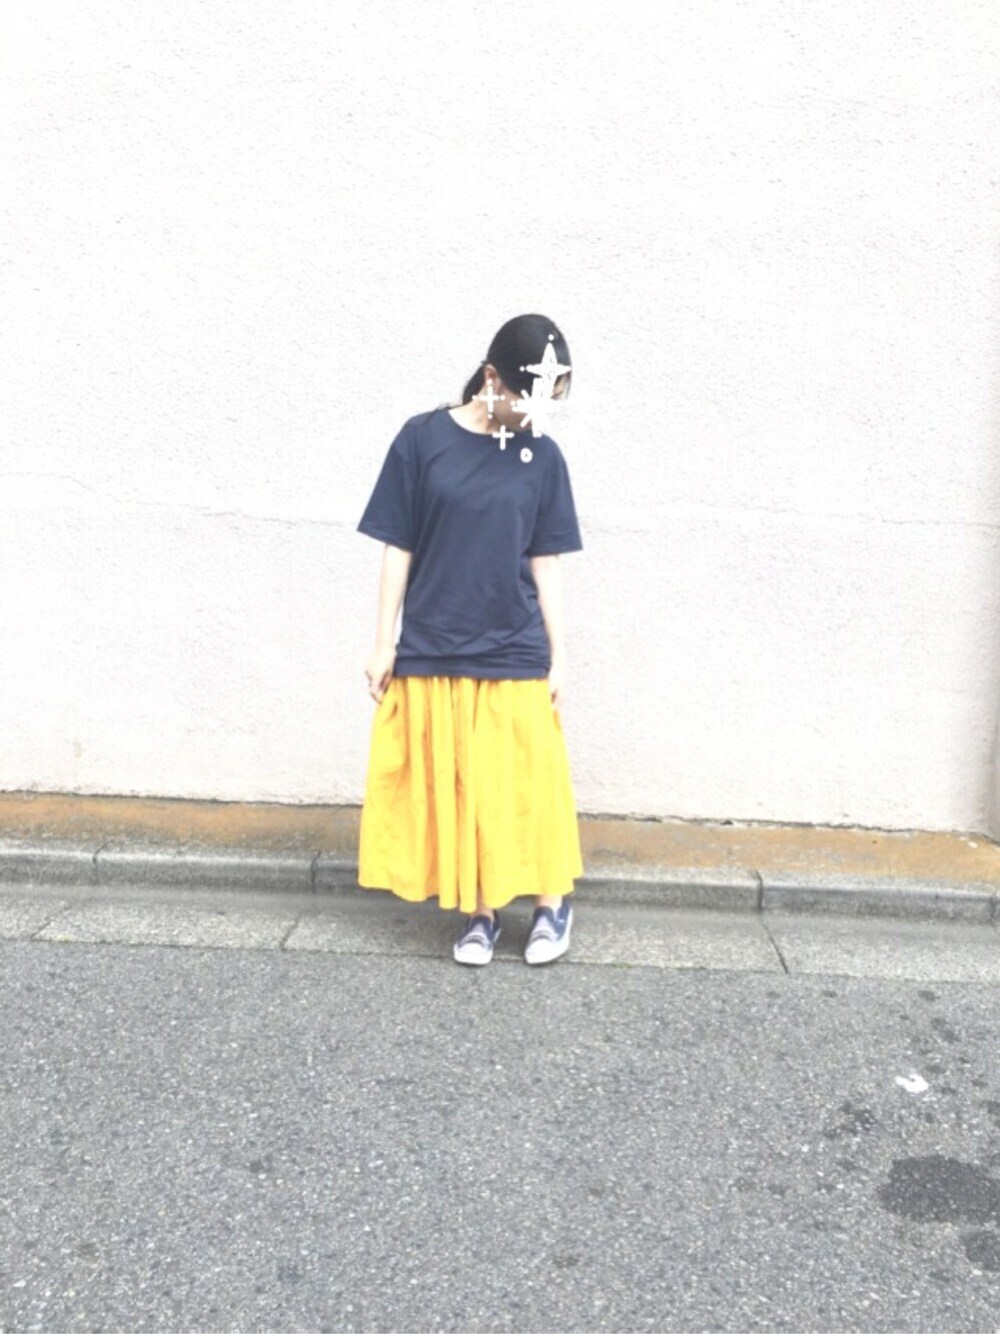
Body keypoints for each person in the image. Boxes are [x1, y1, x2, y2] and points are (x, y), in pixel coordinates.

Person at [356, 313, 584, 966]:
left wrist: (561, 655)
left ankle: (551, 904)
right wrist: (383, 641)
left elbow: (546, 560)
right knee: (463, 786)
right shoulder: (421, 441)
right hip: (437, 641)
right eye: (531, 398)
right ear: (491, 378)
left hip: (515, 645)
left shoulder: (542, 457)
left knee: (529, 784)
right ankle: (481, 912)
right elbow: (398, 545)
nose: (539, 415)